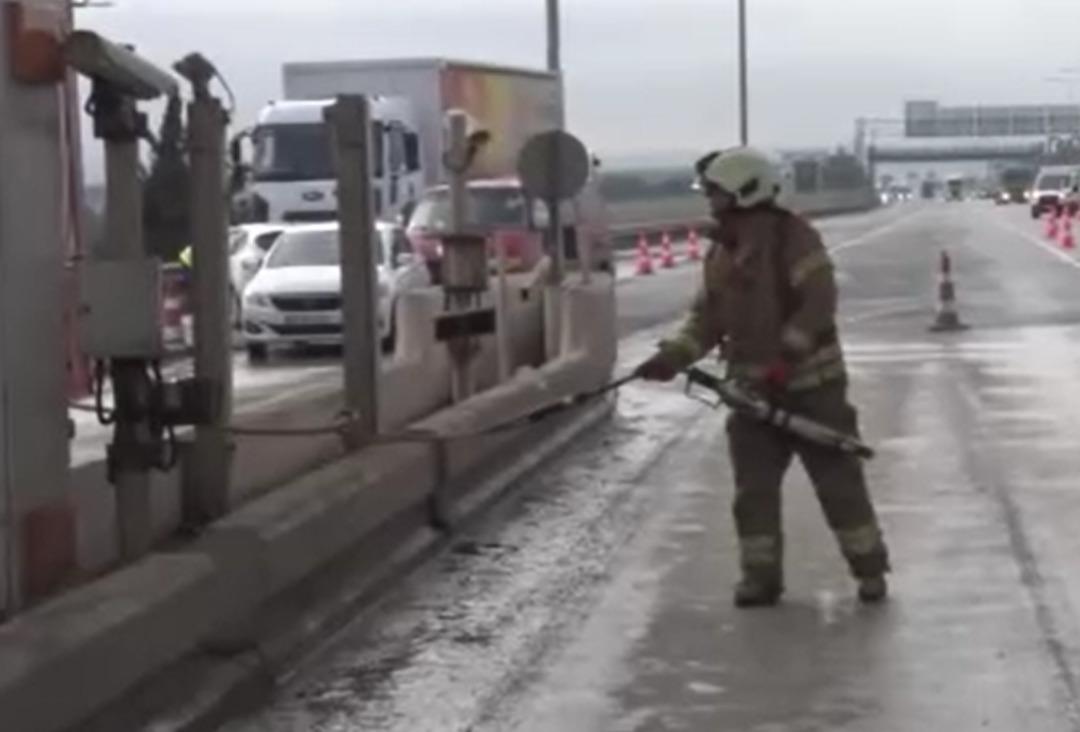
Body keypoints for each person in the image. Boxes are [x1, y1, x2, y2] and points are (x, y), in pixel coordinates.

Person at [635, 147, 891, 607]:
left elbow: (817, 304)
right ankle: (760, 578)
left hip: (815, 391)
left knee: (839, 487)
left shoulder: (795, 239)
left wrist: (786, 357)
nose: (709, 200)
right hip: (752, 398)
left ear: (743, 191)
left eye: (714, 192)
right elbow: (707, 319)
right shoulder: (721, 250)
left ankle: (870, 571)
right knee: (752, 494)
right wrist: (674, 356)